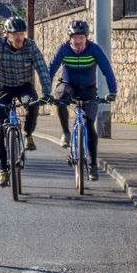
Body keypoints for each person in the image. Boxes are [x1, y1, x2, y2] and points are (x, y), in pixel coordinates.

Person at [0, 16, 51, 187]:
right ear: (6, 34)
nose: (19, 38)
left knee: (33, 104)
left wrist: (46, 92)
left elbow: (42, 68)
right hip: (4, 87)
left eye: (22, 34)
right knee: (0, 129)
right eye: (15, 34)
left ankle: (28, 133)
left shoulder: (30, 46)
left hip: (24, 85)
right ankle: (3, 170)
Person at [48, 19, 119, 181]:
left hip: (88, 90)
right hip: (68, 86)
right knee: (60, 97)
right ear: (70, 38)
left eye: (82, 38)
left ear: (86, 38)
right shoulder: (63, 49)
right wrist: (46, 92)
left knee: (89, 125)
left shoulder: (94, 50)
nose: (78, 42)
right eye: (75, 38)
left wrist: (112, 91)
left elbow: (107, 70)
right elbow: (50, 70)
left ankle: (93, 165)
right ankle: (66, 132)